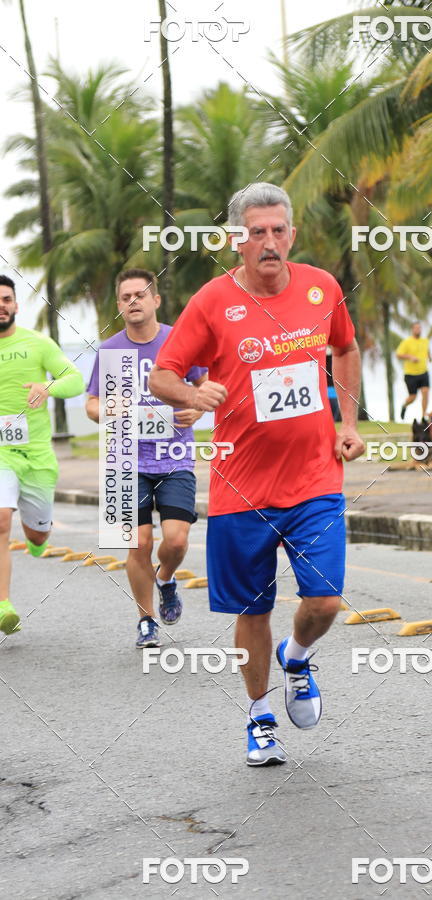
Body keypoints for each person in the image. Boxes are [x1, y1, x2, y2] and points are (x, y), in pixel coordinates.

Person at [149, 182, 365, 767]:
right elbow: (162, 375)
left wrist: (347, 421)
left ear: (291, 234)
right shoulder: (212, 302)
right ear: (235, 241)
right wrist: (193, 392)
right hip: (241, 488)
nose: (268, 242)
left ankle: (297, 657)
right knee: (253, 611)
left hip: (316, 479)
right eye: (256, 233)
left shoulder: (322, 288)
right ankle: (260, 715)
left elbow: (345, 349)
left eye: (277, 231)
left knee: (325, 602)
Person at [86, 269, 207, 648]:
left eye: (139, 294)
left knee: (176, 540)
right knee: (138, 542)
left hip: (174, 455)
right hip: (124, 458)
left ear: (155, 300)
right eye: (126, 297)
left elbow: (205, 386)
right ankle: (146, 620)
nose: (133, 301)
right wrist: (113, 411)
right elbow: (91, 404)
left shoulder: (178, 340)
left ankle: (166, 578)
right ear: (119, 305)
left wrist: (197, 408)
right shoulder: (110, 350)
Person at [0, 274, 85, 635]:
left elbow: (75, 380)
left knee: (36, 536)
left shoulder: (37, 343)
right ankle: (4, 606)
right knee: (1, 520)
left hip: (37, 456)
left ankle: (38, 537)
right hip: (2, 455)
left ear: (16, 305)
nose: (1, 306)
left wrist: (48, 386)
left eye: (6, 299)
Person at [396, 322, 431, 421]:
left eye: (419, 328)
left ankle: (423, 416)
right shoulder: (406, 342)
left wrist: (430, 357)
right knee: (413, 397)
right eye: (416, 328)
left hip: (423, 372)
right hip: (410, 374)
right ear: (412, 330)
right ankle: (404, 405)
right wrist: (410, 357)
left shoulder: (425, 341)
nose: (418, 330)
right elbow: (398, 354)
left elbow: (427, 351)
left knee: (425, 392)